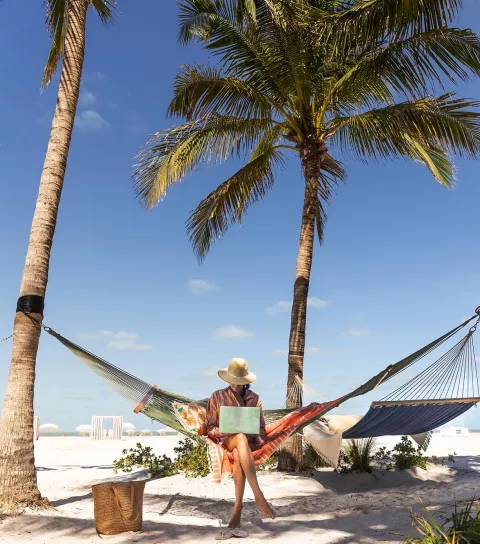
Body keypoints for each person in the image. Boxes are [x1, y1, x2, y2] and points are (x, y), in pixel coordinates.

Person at [207, 358, 275, 538]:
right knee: (238, 437)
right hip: (226, 440)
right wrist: (224, 429)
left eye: (240, 383)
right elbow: (210, 427)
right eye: (233, 382)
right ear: (227, 379)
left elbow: (261, 429)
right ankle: (258, 494)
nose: (236, 386)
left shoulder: (254, 399)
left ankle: (237, 512)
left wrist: (252, 432)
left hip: (246, 444)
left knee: (241, 445)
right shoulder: (217, 396)